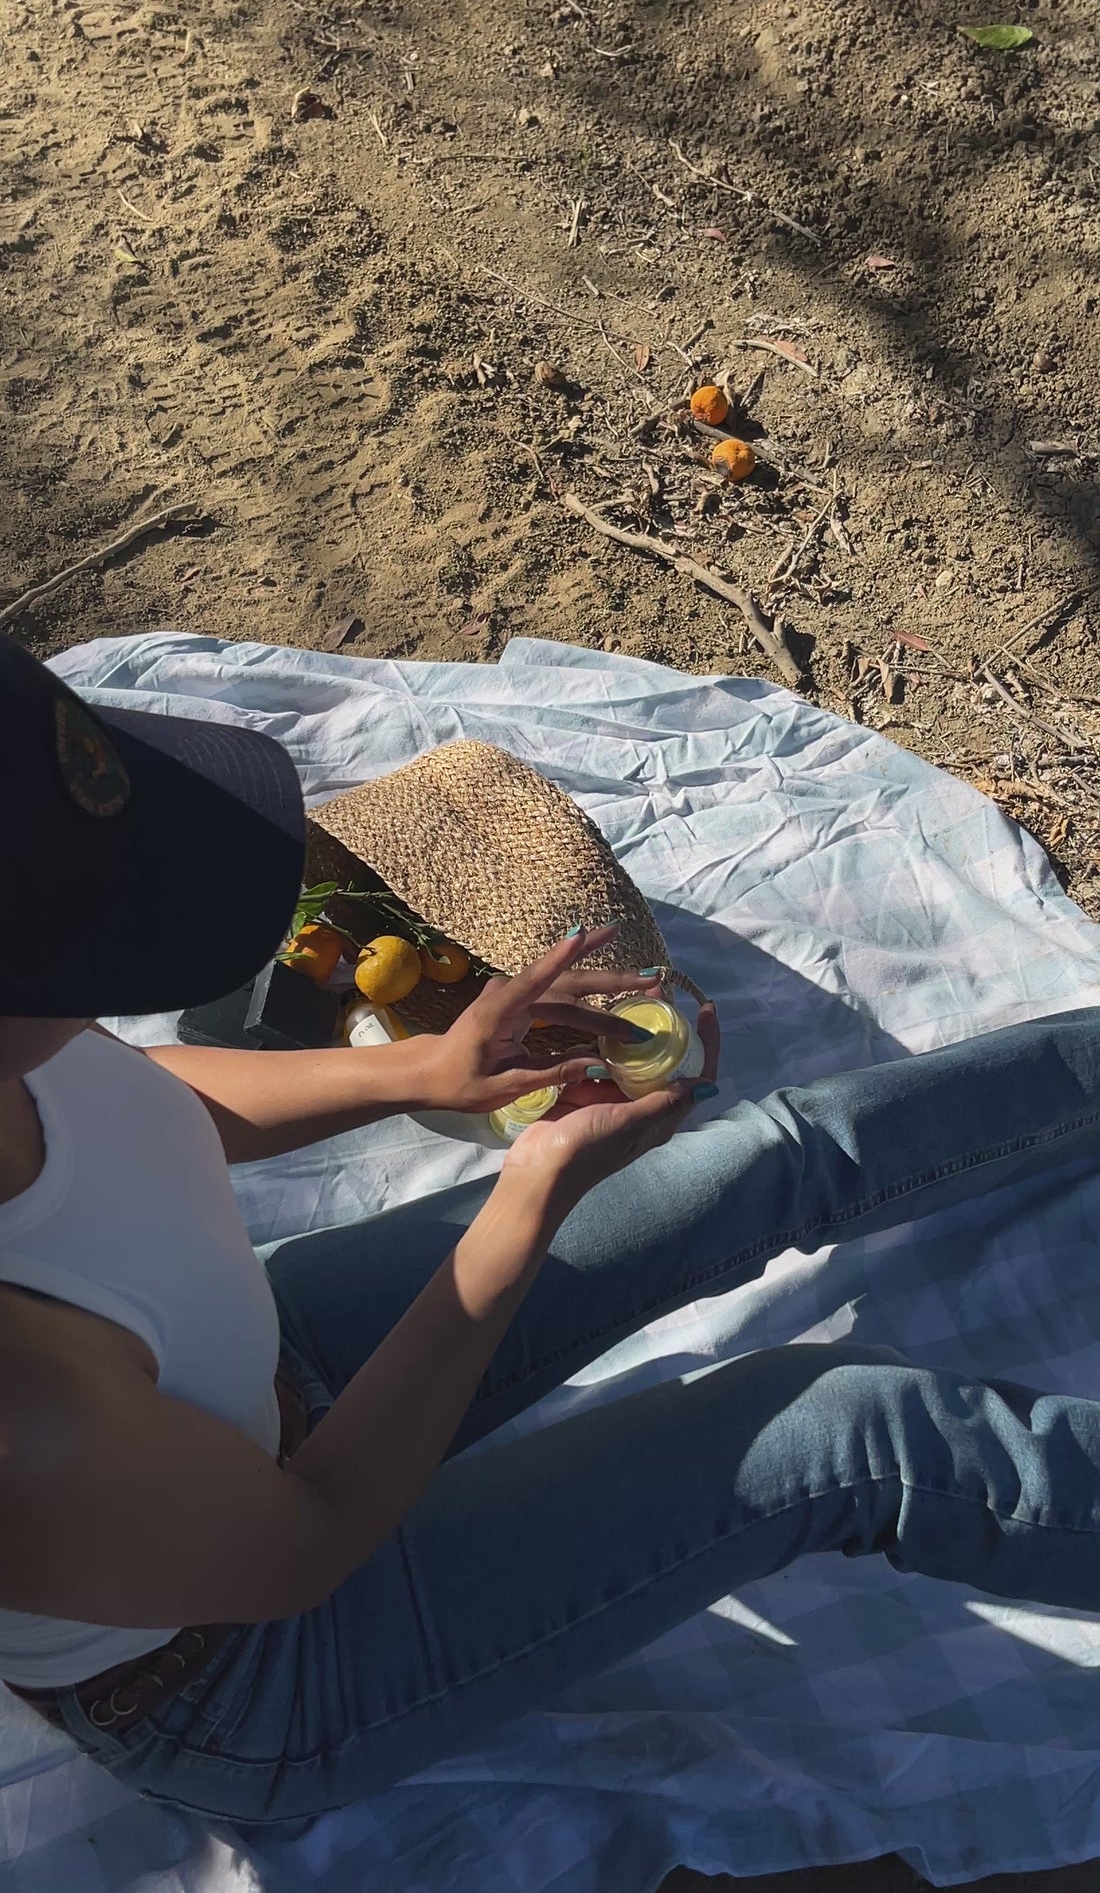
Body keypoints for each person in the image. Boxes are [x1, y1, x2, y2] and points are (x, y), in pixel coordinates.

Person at [3, 632, 1100, 1831]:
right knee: (847, 1433)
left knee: (769, 1153)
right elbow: (307, 1538)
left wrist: (422, 1068)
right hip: (256, 1664)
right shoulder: (22, 1412)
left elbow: (128, 1093)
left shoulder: (25, 1041)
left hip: (250, 1369)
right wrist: (528, 1201)